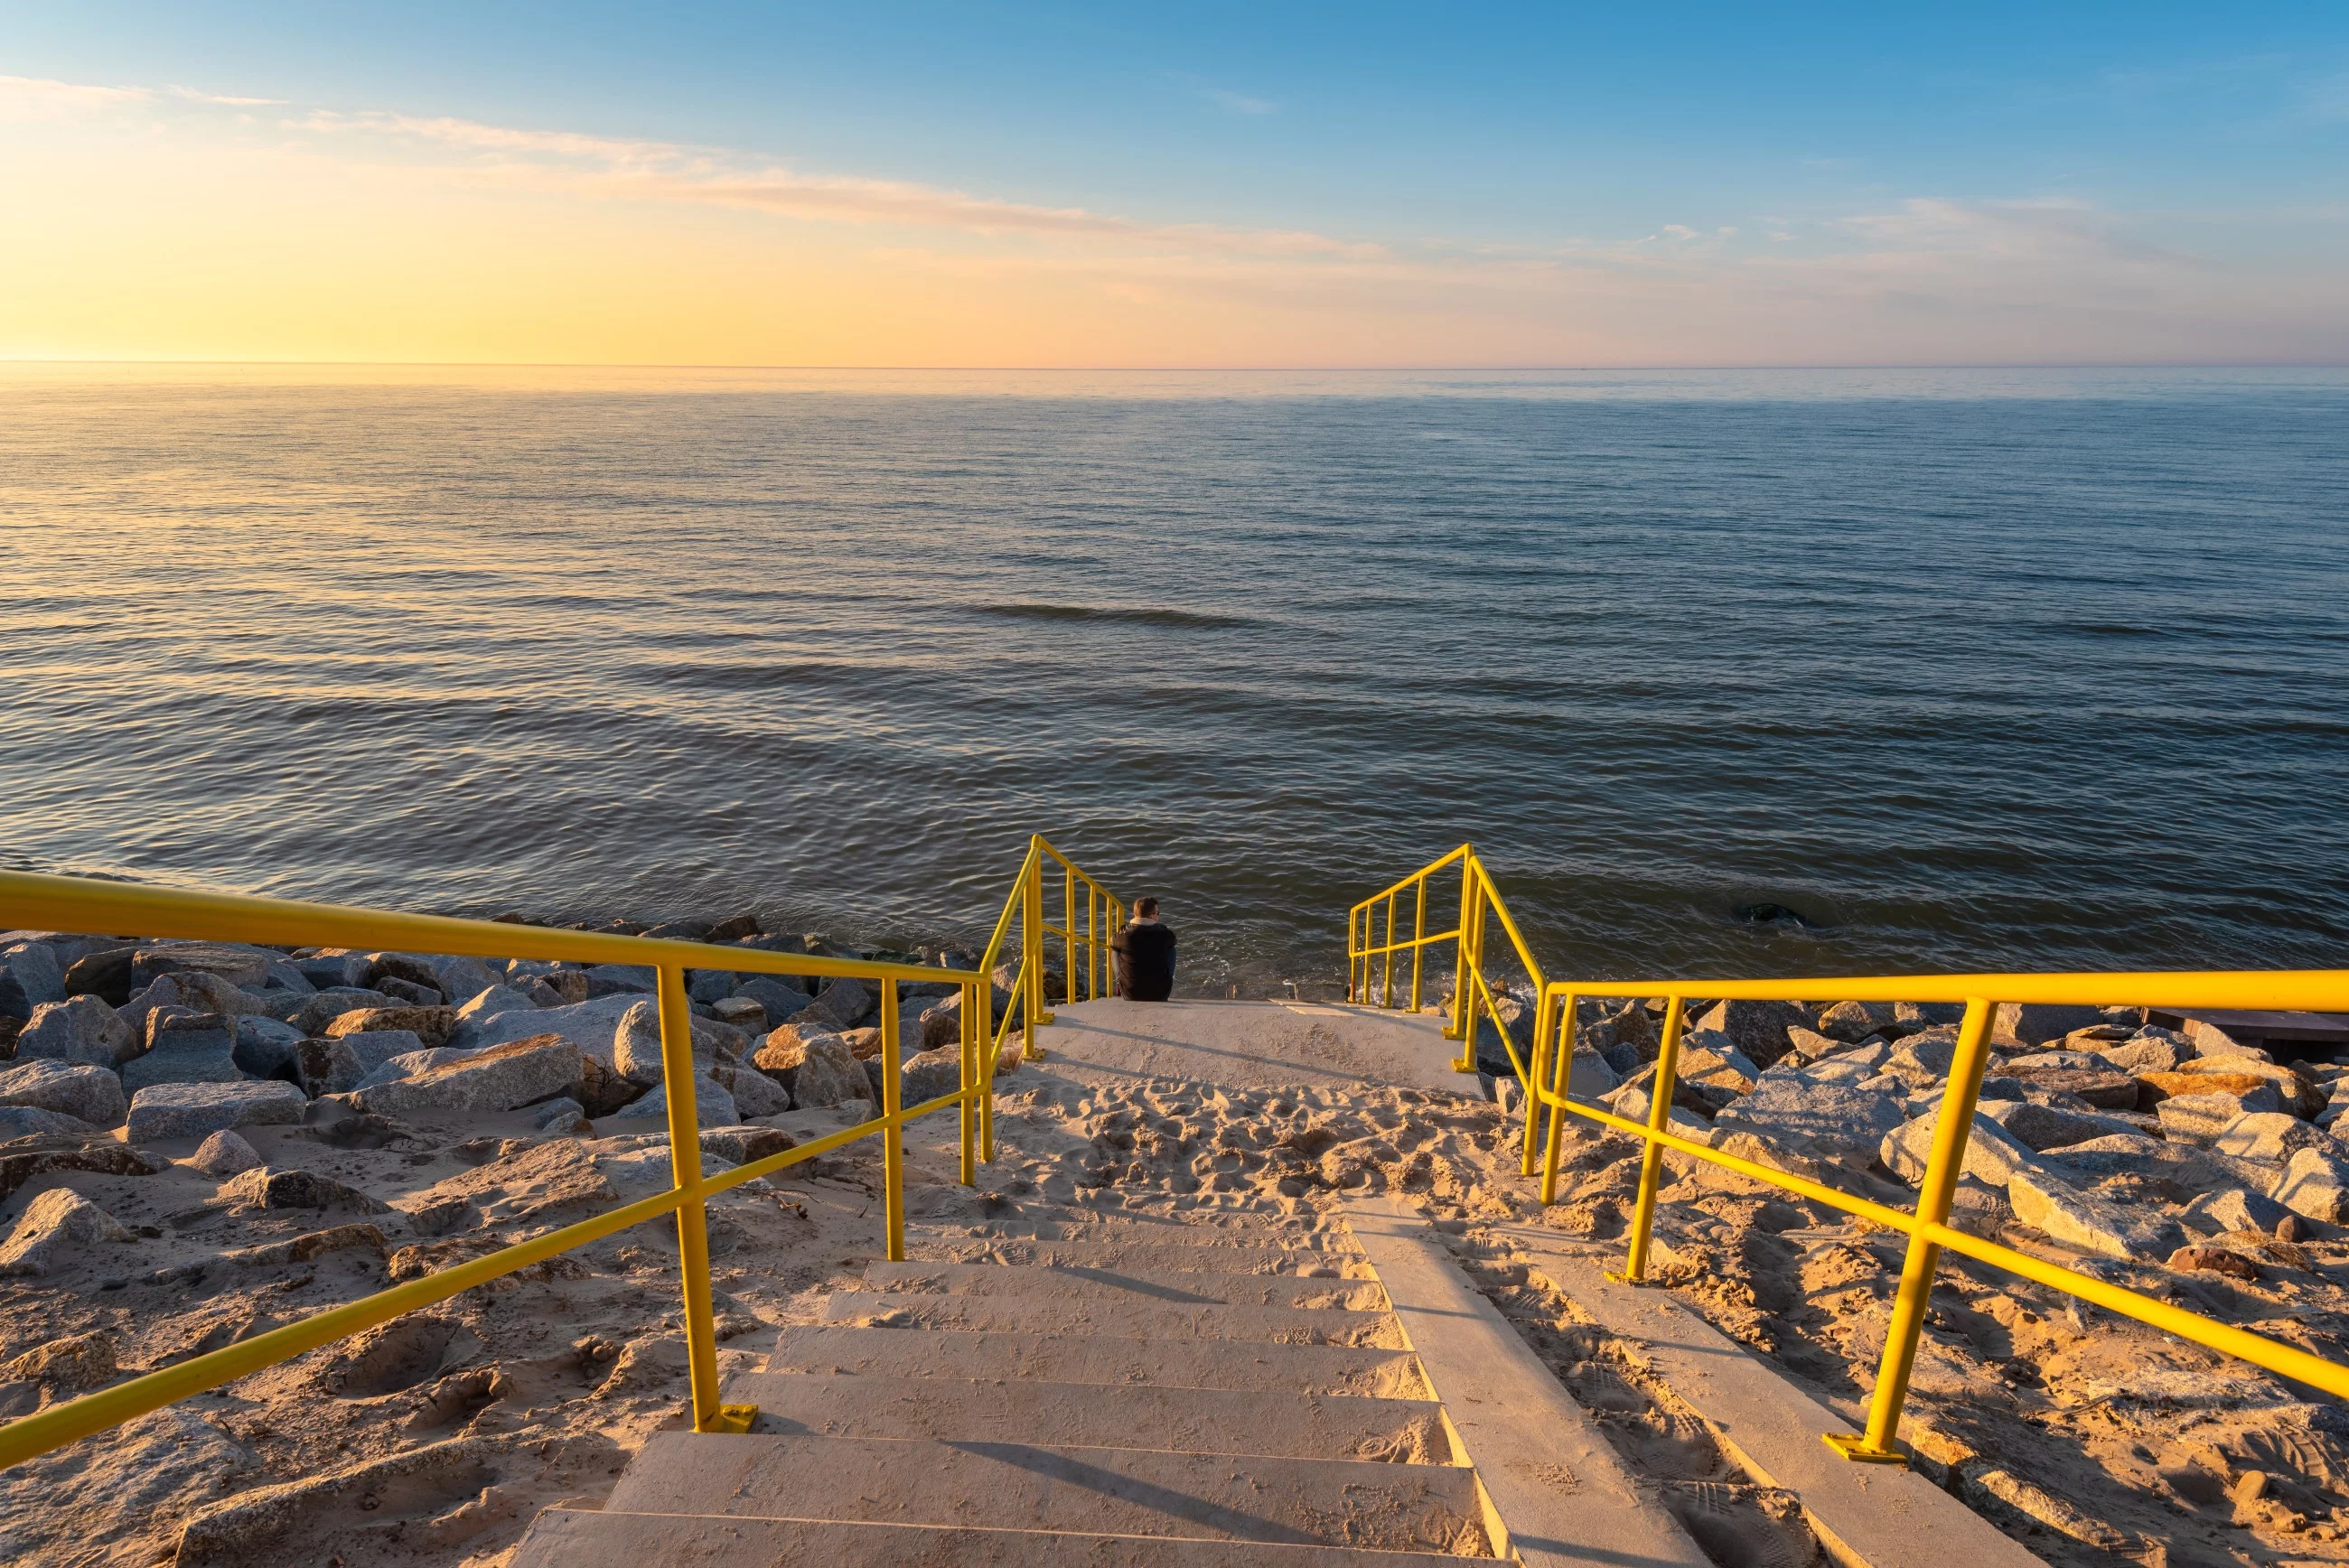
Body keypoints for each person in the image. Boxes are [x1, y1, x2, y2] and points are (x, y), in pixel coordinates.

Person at [1113, 897, 1178, 1001]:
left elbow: (1111, 941)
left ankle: (1119, 985)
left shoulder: (1124, 934)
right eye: (1158, 913)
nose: (1158, 916)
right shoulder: (1165, 933)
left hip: (1130, 995)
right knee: (1171, 949)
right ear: (1151, 916)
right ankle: (1165, 981)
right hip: (1161, 995)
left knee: (1116, 950)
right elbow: (1174, 941)